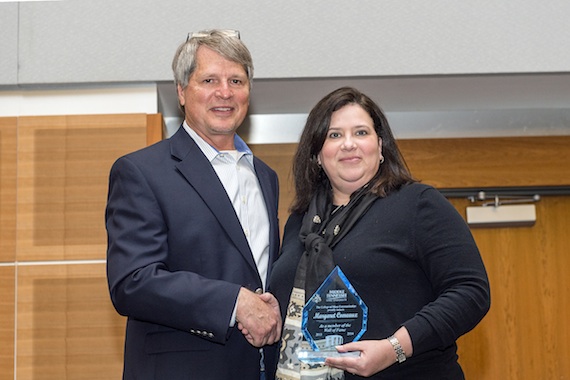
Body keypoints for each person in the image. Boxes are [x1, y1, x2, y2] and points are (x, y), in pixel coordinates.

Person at [269, 87, 491, 379]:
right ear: (317, 155)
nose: (349, 144)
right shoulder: (300, 222)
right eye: (334, 135)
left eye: (361, 133)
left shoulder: (417, 203)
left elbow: (471, 292)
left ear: (381, 145)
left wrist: (394, 348)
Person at [106, 29, 282, 380]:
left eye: (236, 80)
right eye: (209, 79)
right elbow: (133, 281)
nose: (225, 92)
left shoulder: (265, 176)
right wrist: (234, 302)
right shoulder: (141, 171)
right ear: (182, 92)